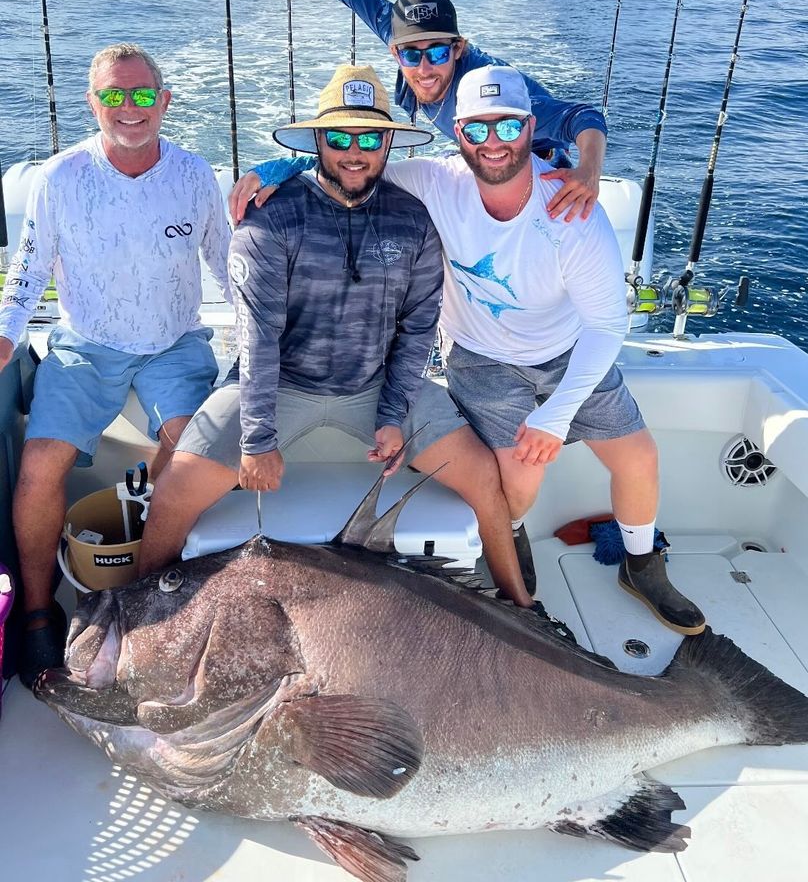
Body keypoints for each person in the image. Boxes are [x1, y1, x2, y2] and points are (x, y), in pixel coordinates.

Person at [241, 65, 706, 636]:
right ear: (457, 132)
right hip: (482, 360)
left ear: (531, 128)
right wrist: (275, 167)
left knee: (640, 458)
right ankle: (508, 536)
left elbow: (608, 325)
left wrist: (555, 417)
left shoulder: (572, 209)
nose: (492, 143)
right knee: (518, 483)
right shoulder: (435, 182)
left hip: (570, 351)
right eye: (477, 129)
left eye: (507, 127)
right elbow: (351, 161)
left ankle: (640, 562)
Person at [137, 64, 537, 616]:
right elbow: (257, 339)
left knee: (486, 482)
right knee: (171, 498)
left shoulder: (415, 221)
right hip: (278, 386)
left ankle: (522, 609)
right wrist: (256, 439)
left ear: (389, 144)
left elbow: (419, 328)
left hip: (377, 386)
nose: (355, 151)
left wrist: (395, 412)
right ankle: (134, 619)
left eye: (370, 137)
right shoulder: (268, 219)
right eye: (340, 137)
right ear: (318, 142)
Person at [0, 43, 232, 687]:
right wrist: (4, 336)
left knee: (194, 454)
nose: (129, 109)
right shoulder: (61, 177)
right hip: (86, 344)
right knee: (41, 463)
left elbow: (228, 267)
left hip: (175, 343)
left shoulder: (194, 176)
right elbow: (27, 269)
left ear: (164, 100)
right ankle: (43, 615)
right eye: (114, 96)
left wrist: (268, 337)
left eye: (141, 95)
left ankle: (148, 600)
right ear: (93, 102)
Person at [205, 0, 607, 222]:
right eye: (412, 54)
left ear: (458, 48)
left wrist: (588, 171)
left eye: (437, 52)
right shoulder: (398, 36)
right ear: (394, 50)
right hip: (475, 164)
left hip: (535, 179)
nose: (425, 67)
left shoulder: (489, 88)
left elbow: (582, 118)